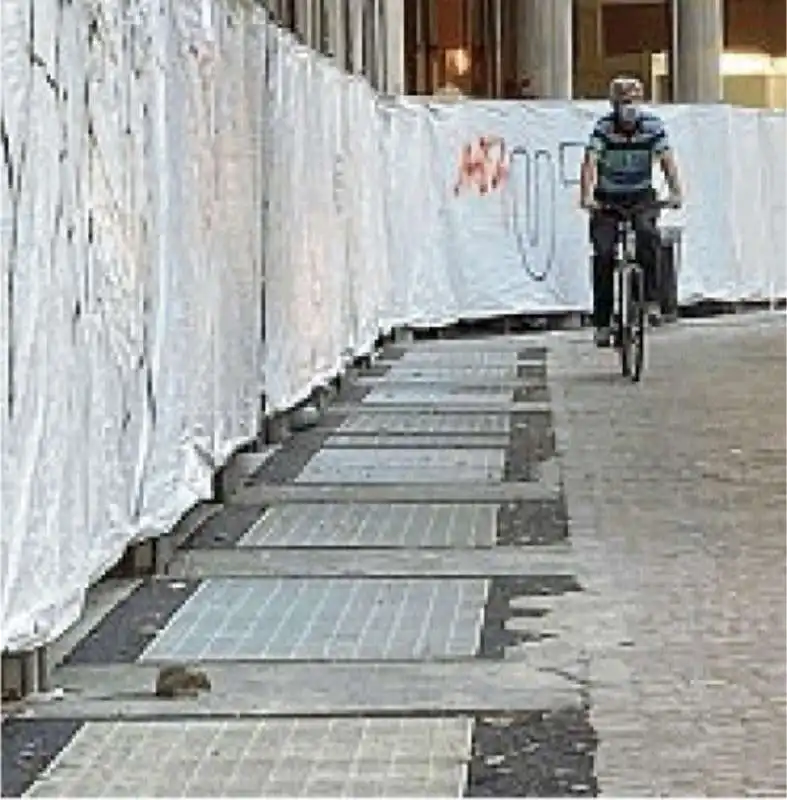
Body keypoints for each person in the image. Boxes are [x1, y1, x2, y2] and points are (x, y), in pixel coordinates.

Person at [580, 76, 684, 347]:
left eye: (634, 102)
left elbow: (667, 161)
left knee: (648, 234)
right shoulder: (603, 128)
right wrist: (586, 195)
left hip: (640, 196)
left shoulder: (653, 126)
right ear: (614, 105)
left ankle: (650, 300)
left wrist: (675, 191)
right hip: (608, 199)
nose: (630, 107)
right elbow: (590, 162)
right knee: (603, 253)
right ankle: (602, 322)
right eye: (624, 102)